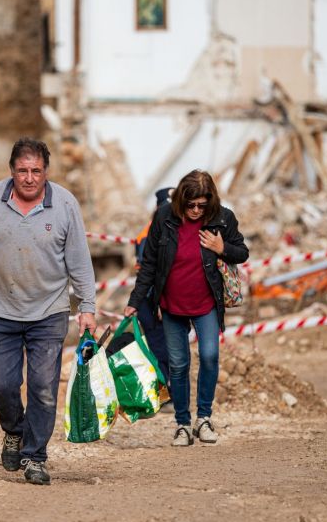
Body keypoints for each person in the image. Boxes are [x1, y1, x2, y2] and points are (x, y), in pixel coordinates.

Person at [0, 138, 96, 485]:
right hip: (0, 311)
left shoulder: (65, 205)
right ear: (12, 171)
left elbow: (80, 262)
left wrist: (87, 306)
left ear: (46, 173)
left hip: (49, 312)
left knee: (43, 387)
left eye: (36, 171)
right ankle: (14, 430)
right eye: (22, 171)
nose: (29, 178)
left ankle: (35, 457)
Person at [124, 170, 248, 446]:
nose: (195, 211)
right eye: (190, 205)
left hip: (206, 304)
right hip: (171, 305)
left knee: (209, 355)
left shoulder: (223, 218)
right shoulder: (164, 216)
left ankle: (204, 419)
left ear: (210, 202)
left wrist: (221, 246)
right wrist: (135, 301)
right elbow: (151, 264)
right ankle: (182, 423)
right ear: (181, 200)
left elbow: (242, 252)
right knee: (178, 365)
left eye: (202, 206)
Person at [134, 187, 173, 404]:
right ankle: (165, 395)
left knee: (168, 347)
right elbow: (149, 272)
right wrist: (158, 301)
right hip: (152, 302)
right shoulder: (149, 235)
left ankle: (169, 393)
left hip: (161, 300)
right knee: (160, 348)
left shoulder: (162, 230)